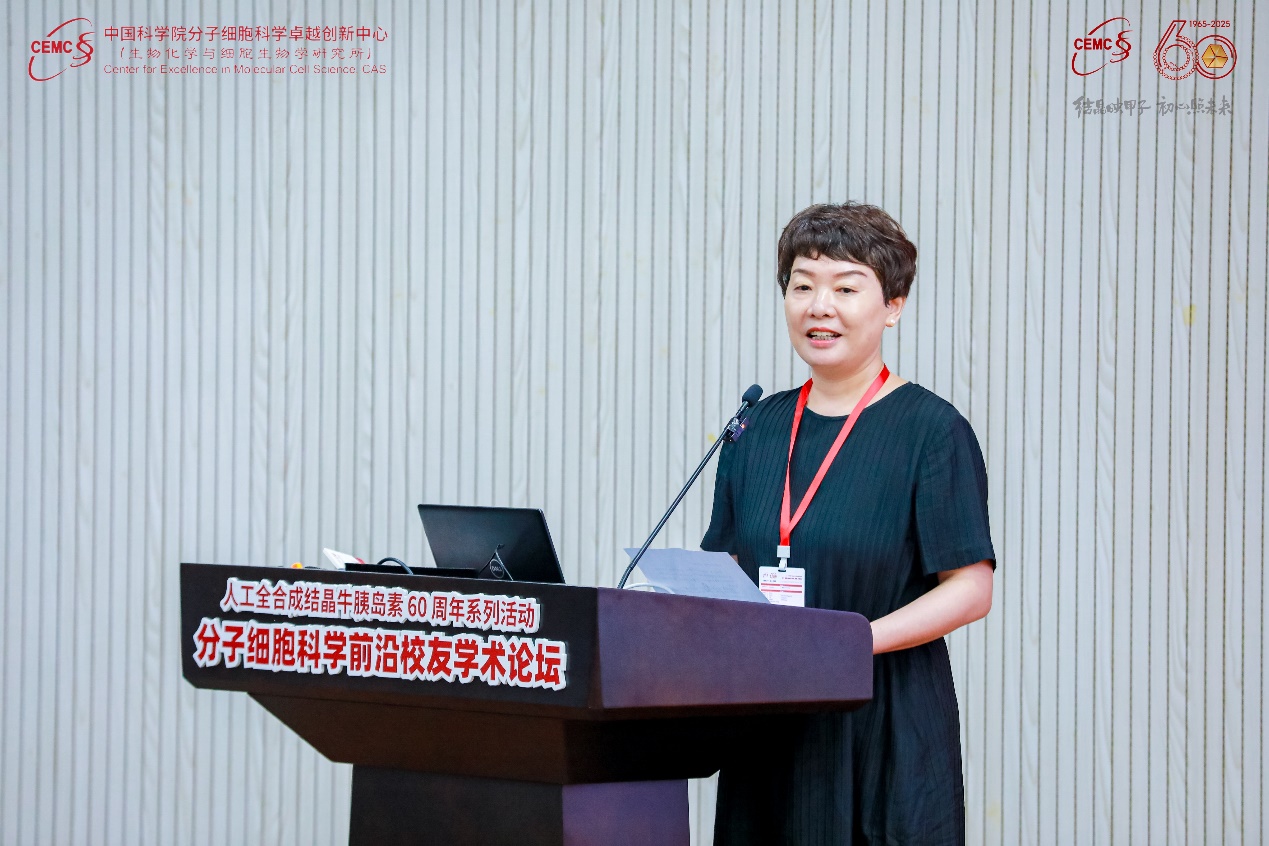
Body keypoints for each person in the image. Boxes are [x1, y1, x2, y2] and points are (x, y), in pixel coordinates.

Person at [703, 202, 996, 845]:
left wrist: (851, 642)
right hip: (771, 719)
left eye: (845, 288)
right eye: (802, 285)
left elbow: (972, 588)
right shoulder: (753, 427)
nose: (819, 306)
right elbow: (727, 566)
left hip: (882, 723)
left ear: (893, 305)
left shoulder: (932, 431)